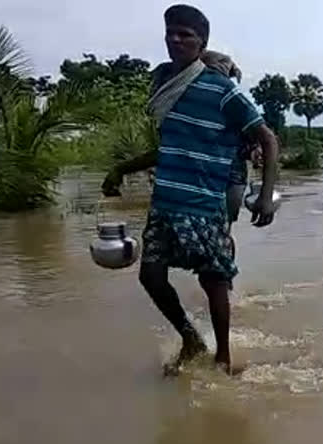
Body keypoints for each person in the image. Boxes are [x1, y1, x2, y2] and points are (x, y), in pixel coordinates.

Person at [102, 4, 278, 375]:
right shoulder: (165, 86)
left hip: (205, 200)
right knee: (150, 275)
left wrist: (265, 196)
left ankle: (224, 358)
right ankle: (190, 338)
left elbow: (268, 138)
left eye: (185, 34)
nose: (175, 40)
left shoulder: (222, 90)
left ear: (202, 42)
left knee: (213, 279)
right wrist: (120, 169)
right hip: (165, 200)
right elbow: (167, 147)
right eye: (170, 33)